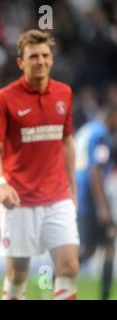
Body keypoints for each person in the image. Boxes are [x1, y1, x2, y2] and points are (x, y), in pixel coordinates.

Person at [0, 29, 79, 300]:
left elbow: (67, 142)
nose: (40, 60)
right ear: (21, 62)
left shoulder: (64, 93)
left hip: (57, 197)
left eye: (45, 55)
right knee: (17, 275)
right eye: (33, 56)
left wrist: (72, 187)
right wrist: (0, 184)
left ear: (52, 59)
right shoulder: (4, 98)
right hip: (19, 200)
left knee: (69, 266)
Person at [75, 105, 117, 300]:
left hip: (80, 195)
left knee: (105, 246)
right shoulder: (101, 136)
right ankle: (50, 277)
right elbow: (96, 172)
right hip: (91, 200)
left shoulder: (88, 129)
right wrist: (102, 207)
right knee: (89, 250)